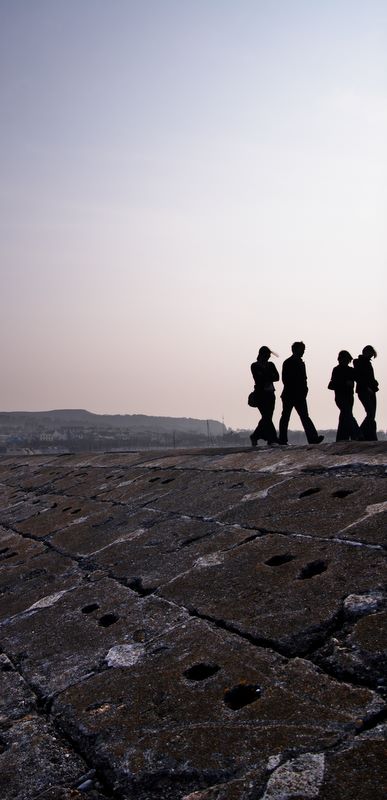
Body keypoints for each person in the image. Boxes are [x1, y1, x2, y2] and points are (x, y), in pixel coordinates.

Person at [278, 342, 324, 445]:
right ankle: (282, 439)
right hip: (290, 394)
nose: (303, 352)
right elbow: (285, 379)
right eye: (301, 349)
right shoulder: (288, 362)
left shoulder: (300, 362)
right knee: (286, 417)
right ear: (295, 350)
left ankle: (313, 438)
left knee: (304, 417)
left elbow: (304, 379)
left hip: (299, 395)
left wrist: (304, 390)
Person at [250, 346, 280, 447]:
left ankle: (255, 436)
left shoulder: (271, 365)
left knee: (267, 417)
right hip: (260, 395)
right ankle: (273, 438)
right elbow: (258, 379)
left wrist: (265, 375)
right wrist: (267, 375)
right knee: (266, 417)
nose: (268, 358)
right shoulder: (254, 366)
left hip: (270, 394)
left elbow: (277, 377)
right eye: (266, 355)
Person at [328, 351, 360, 441]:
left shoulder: (351, 370)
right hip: (340, 397)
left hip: (349, 397)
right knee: (348, 414)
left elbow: (358, 378)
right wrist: (344, 383)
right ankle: (357, 434)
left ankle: (341, 437)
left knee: (344, 416)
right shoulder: (336, 370)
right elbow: (332, 384)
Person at [353, 345, 379, 441]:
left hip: (371, 390)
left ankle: (368, 435)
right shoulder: (358, 362)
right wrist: (367, 387)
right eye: (370, 353)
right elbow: (359, 377)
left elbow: (368, 377)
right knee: (370, 413)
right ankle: (359, 434)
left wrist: (374, 382)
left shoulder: (367, 363)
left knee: (371, 414)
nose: (371, 355)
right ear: (365, 352)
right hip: (364, 390)